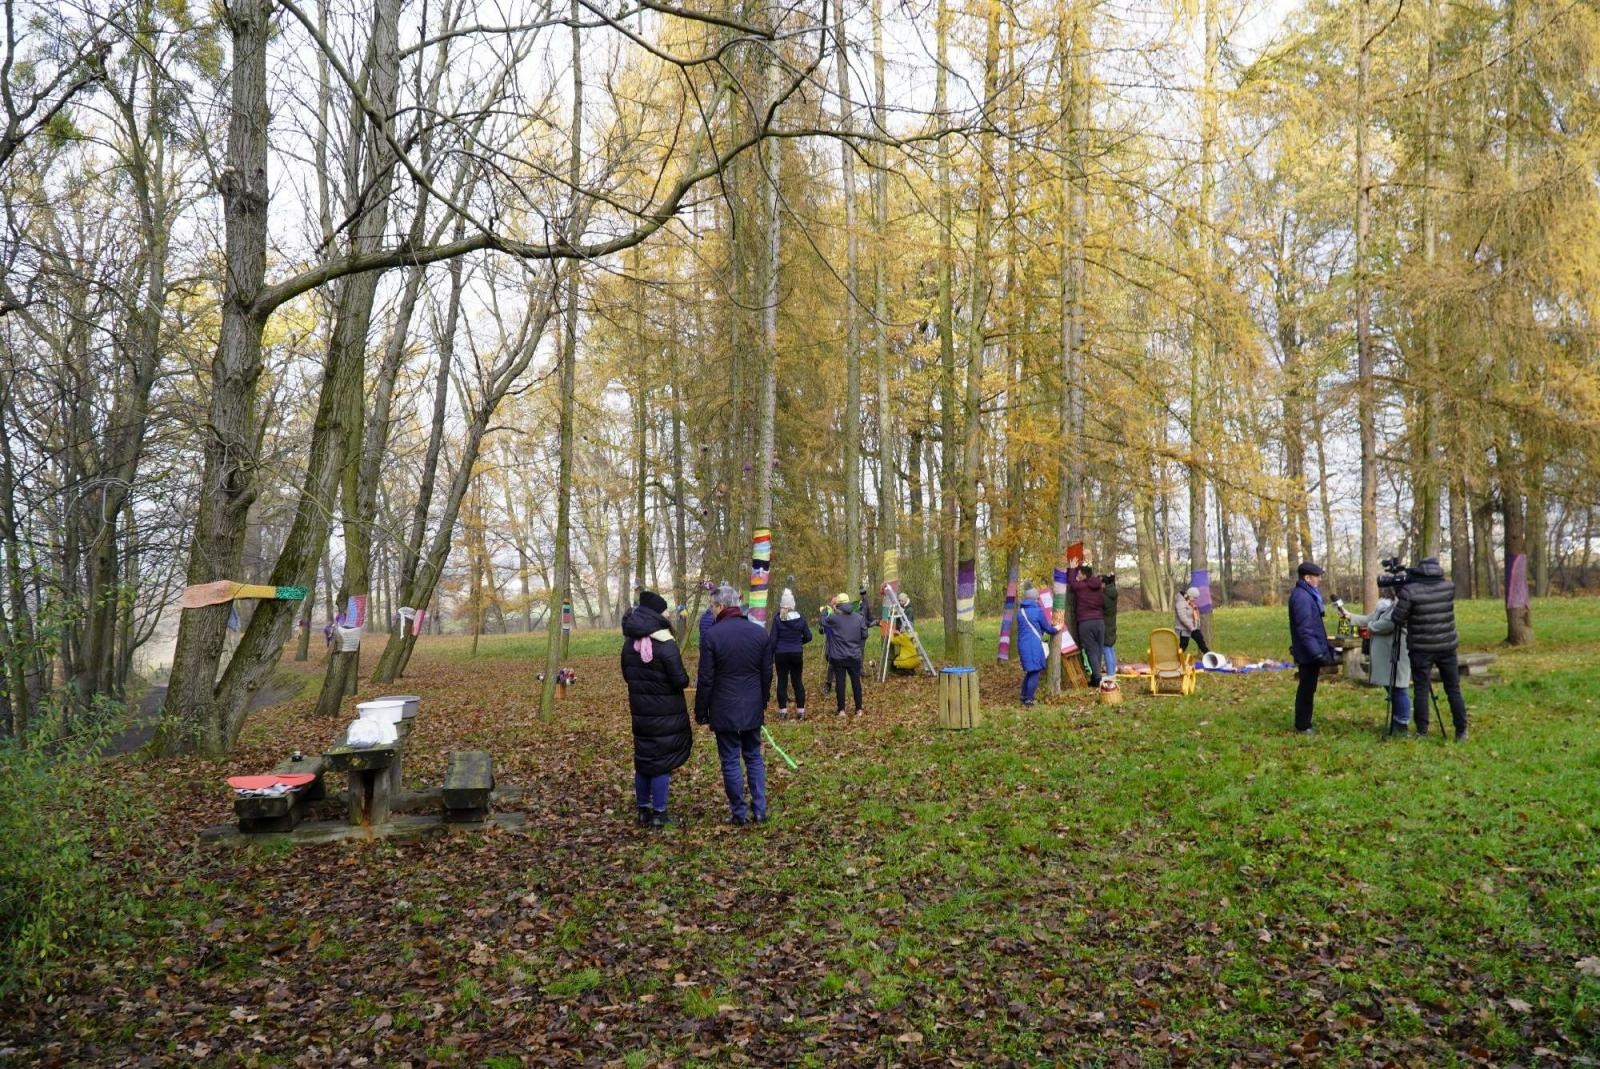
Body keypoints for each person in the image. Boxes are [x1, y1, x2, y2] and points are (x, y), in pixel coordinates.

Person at [695, 585, 774, 825]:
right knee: (753, 756)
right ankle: (759, 809)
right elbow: (767, 673)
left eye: (712, 606)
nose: (711, 610)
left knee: (730, 759)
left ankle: (739, 812)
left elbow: (706, 678)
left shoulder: (712, 636)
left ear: (721, 606)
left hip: (724, 706)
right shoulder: (759, 633)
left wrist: (701, 710)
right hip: (751, 704)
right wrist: (762, 700)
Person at [621, 590, 692, 829]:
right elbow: (680, 680)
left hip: (641, 713)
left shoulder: (629, 644)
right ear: (656, 614)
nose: (668, 614)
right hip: (666, 715)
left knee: (644, 761)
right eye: (665, 611)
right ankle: (660, 813)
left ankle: (643, 809)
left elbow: (627, 676)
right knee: (661, 763)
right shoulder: (666, 643)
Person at [1391, 556, 1469, 742]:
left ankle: (1422, 731)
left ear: (1419, 571)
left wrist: (1400, 592)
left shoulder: (1410, 591)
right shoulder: (1449, 587)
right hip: (1447, 646)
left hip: (1421, 648)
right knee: (1453, 689)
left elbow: (1397, 618)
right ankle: (1461, 730)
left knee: (1421, 689)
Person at [1348, 596, 1411, 738]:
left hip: (1397, 653)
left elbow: (1388, 624)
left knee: (1399, 689)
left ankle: (1401, 724)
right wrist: (1349, 616)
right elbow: (1370, 618)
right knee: (1392, 688)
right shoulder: (1387, 606)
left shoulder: (1403, 603)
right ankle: (1397, 721)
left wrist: (1370, 628)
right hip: (1387, 655)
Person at [1288, 561, 1337, 734]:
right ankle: (1303, 725)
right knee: (1306, 689)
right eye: (1317, 576)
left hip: (1310, 650)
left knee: (1309, 688)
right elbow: (1305, 629)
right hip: (1307, 652)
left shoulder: (1307, 595)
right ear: (1307, 578)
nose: (1319, 579)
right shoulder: (1302, 597)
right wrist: (1316, 653)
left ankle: (1304, 723)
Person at [822, 591, 869, 716]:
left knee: (840, 683)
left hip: (838, 656)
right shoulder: (859, 617)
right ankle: (859, 709)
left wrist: (825, 612)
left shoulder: (833, 618)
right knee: (856, 682)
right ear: (849, 603)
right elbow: (865, 634)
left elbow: (823, 624)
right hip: (854, 655)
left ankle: (841, 710)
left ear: (838, 605)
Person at [770, 588, 812, 720]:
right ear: (793, 605)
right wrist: (799, 642)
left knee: (782, 682)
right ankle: (800, 711)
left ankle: (783, 712)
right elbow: (809, 636)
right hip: (796, 653)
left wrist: (770, 655)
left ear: (782, 605)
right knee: (797, 681)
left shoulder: (778, 619)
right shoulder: (801, 619)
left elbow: (772, 640)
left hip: (781, 654)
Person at [1014, 584, 1058, 707]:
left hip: (1023, 645)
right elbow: (1047, 628)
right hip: (1033, 645)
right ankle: (1029, 700)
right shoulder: (1037, 611)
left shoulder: (1020, 612)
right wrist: (1057, 628)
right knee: (1035, 672)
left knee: (1030, 671)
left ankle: (1023, 696)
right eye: (1038, 598)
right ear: (1034, 599)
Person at [1066, 565, 1107, 687]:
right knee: (1098, 650)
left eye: (1079, 574)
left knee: (1091, 651)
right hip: (1099, 621)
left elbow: (1072, 583)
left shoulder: (1082, 587)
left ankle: (1097, 679)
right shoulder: (1098, 587)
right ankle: (1095, 675)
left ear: (1084, 575)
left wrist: (1072, 569)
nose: (1078, 575)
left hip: (1086, 622)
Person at [1174, 587, 1211, 657]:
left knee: (1200, 640)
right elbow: (1182, 617)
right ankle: (1175, 658)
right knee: (1183, 645)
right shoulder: (1180, 602)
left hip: (1192, 627)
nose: (1195, 600)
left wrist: (1195, 625)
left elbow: (1193, 614)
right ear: (1190, 595)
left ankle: (1209, 655)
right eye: (1194, 597)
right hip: (1184, 628)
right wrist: (1191, 627)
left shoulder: (1189, 602)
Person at [1101, 573, 1119, 677]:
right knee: (1111, 647)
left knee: (1106, 648)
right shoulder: (1112, 592)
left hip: (1106, 624)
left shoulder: (1104, 596)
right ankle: (1113, 670)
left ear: (1104, 584)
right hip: (1111, 623)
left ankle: (1110, 673)